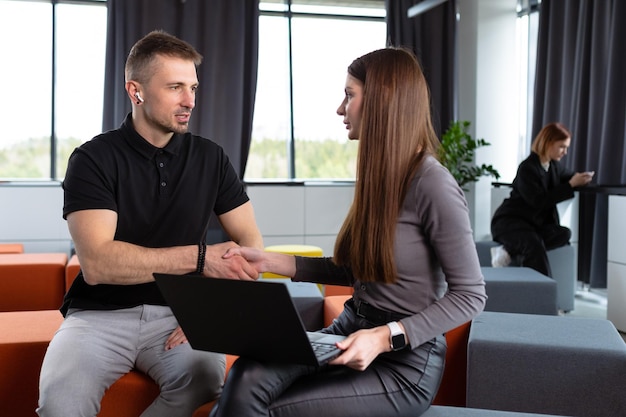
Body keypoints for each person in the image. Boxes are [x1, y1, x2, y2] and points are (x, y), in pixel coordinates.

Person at [209, 47, 487, 417]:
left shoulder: (432, 183)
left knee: (273, 409)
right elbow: (356, 271)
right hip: (350, 327)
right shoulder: (379, 178)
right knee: (246, 371)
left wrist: (385, 337)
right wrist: (269, 260)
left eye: (350, 95)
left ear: (383, 102)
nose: (341, 109)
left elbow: (471, 295)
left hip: (403, 364)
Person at [37, 30, 263, 417]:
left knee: (208, 376)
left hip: (181, 313)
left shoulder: (212, 158)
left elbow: (252, 246)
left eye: (192, 87)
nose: (190, 101)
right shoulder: (93, 159)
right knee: (60, 402)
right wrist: (203, 259)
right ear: (135, 91)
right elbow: (98, 264)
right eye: (175, 87)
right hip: (98, 316)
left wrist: (211, 310)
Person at [490, 122, 593, 277]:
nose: (565, 152)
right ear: (548, 143)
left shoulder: (553, 167)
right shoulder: (527, 168)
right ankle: (543, 295)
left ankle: (509, 250)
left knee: (564, 233)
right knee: (534, 245)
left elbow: (569, 177)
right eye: (562, 147)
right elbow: (538, 201)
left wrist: (581, 178)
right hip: (510, 223)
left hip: (532, 226)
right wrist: (571, 184)